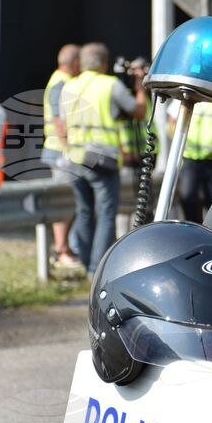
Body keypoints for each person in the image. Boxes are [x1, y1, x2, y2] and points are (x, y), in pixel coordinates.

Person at [60, 43, 147, 275]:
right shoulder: (110, 85)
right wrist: (140, 86)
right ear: (104, 63)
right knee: (107, 213)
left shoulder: (69, 86)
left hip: (74, 158)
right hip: (102, 159)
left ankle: (85, 261)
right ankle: (96, 269)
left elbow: (62, 125)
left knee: (85, 211)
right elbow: (138, 111)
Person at [41, 44, 80, 267]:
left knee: (69, 202)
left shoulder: (59, 81)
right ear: (74, 63)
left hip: (59, 152)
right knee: (63, 202)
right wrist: (68, 149)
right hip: (60, 153)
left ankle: (65, 248)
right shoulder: (61, 84)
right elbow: (59, 120)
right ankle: (60, 250)